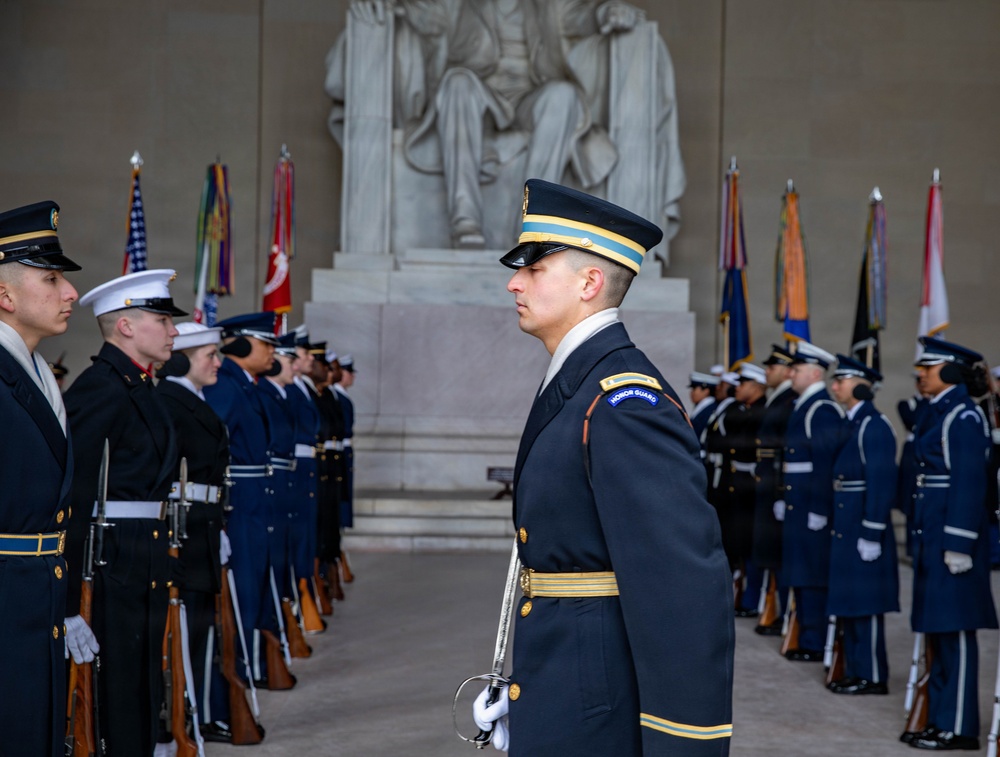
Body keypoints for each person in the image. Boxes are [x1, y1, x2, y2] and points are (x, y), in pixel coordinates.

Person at [472, 178, 733, 755]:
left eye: (535, 268)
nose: (514, 282)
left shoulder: (623, 402)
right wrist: (530, 695)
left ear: (590, 283)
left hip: (598, 706)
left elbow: (681, 590)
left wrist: (683, 742)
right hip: (566, 687)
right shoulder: (579, 382)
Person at [325, 0, 685, 249]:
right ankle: (464, 220)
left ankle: (535, 219)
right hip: (478, 94)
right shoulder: (456, 5)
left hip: (532, 96)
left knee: (562, 95)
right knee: (457, 84)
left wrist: (611, 10)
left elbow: (585, 16)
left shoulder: (550, 5)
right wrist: (381, 6)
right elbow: (416, 12)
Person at [63, 269, 186, 756]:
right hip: (110, 561)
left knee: (140, 679)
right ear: (127, 327)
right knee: (114, 689)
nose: (175, 329)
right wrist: (69, 603)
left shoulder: (141, 387)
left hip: (140, 557)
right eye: (163, 319)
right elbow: (72, 498)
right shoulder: (100, 388)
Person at [0, 200, 89, 757]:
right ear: (5, 295)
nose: (70, 293)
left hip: (37, 593)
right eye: (51, 278)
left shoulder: (37, 373)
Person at [902, 336, 998, 751]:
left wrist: (959, 541)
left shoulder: (963, 416)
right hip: (933, 531)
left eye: (928, 367)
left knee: (955, 632)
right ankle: (940, 717)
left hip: (952, 538)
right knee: (939, 630)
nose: (920, 374)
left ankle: (958, 726)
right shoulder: (940, 410)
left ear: (949, 370)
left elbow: (968, 482)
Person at [203, 312, 296, 689]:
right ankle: (237, 674)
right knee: (242, 592)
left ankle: (252, 665)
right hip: (240, 505)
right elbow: (210, 448)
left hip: (256, 502)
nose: (273, 350)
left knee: (255, 589)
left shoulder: (244, 385)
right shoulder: (227, 386)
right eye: (265, 343)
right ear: (240, 343)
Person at [155, 321, 237, 742]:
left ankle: (198, 713)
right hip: (183, 529)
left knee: (202, 625)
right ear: (184, 358)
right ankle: (186, 717)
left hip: (202, 524)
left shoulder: (190, 398)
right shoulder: (169, 400)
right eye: (211, 355)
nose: (219, 363)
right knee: (188, 626)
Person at [826, 355, 899, 695]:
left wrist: (871, 530)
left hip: (861, 524)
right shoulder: (853, 421)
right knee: (851, 599)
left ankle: (871, 674)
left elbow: (881, 482)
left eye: (841, 380)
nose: (834, 386)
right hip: (847, 521)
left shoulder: (874, 424)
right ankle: (856, 669)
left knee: (866, 603)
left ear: (860, 384)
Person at [777, 341, 846, 662]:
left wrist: (819, 507)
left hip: (809, 504)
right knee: (799, 571)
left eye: (797, 369)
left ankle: (814, 640)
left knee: (811, 574)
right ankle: (806, 635)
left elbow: (823, 464)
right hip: (798, 501)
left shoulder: (822, 408)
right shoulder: (805, 404)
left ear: (815, 372)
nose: (791, 373)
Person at [751, 345, 797, 636]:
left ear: (787, 370)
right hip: (767, 486)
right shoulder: (778, 399)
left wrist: (780, 492)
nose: (766, 372)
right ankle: (776, 610)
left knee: (778, 554)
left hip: (777, 488)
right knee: (769, 553)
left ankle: (784, 613)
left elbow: (785, 452)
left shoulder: (790, 401)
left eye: (772, 368)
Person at [726, 363, 768, 617]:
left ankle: (752, 598)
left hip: (752, 483)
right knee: (741, 544)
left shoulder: (762, 412)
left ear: (755, 386)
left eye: (743, 384)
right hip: (740, 481)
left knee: (751, 546)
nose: (738, 388)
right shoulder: (746, 410)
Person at [688, 371, 719, 439]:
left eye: (694, 388)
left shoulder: (711, 409)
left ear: (706, 391)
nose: (691, 392)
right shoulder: (702, 406)